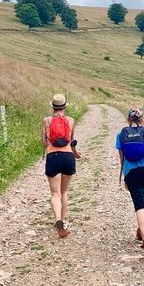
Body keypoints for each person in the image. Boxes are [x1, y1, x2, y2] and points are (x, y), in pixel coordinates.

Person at [116, 108, 144, 261]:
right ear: (141, 120)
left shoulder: (121, 135)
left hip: (131, 172)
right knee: (142, 201)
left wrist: (125, 177)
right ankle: (141, 231)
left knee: (139, 205)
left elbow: (121, 159)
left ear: (128, 120)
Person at [42, 94, 80, 238]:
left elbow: (44, 143)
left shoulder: (46, 121)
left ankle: (58, 219)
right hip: (68, 157)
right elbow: (71, 141)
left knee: (55, 193)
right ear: (64, 107)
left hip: (53, 157)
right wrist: (76, 153)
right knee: (64, 191)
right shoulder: (71, 120)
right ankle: (63, 223)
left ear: (53, 107)